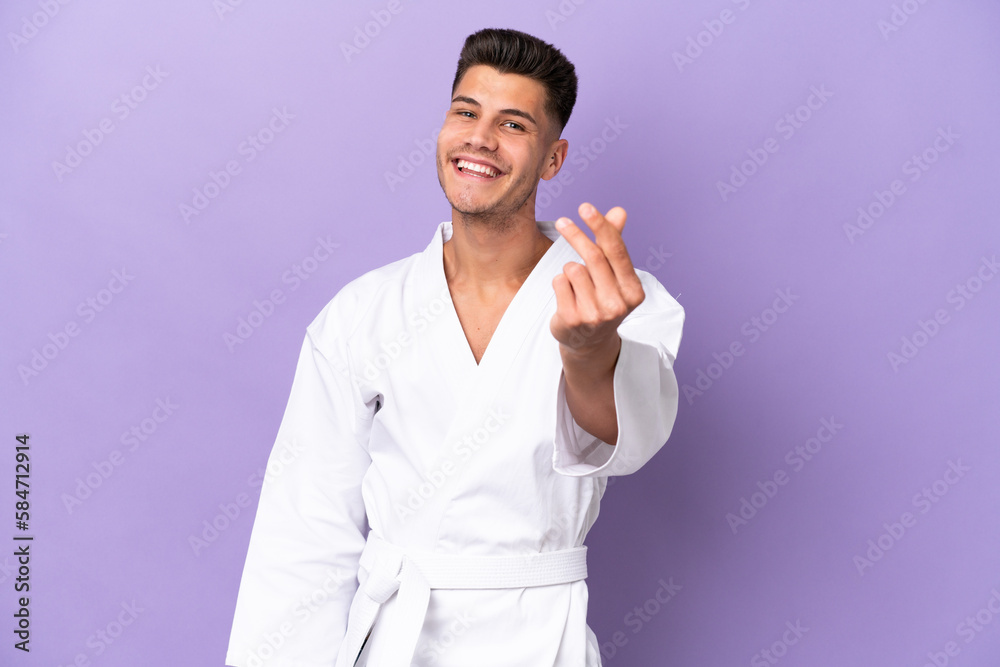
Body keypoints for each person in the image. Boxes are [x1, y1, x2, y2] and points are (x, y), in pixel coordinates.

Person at [226, 27, 684, 667]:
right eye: (466, 113)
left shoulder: (611, 299)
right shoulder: (362, 313)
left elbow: (628, 442)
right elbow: (305, 527)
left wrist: (589, 350)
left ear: (553, 159)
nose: (480, 138)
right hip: (396, 639)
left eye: (513, 124)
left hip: (538, 638)